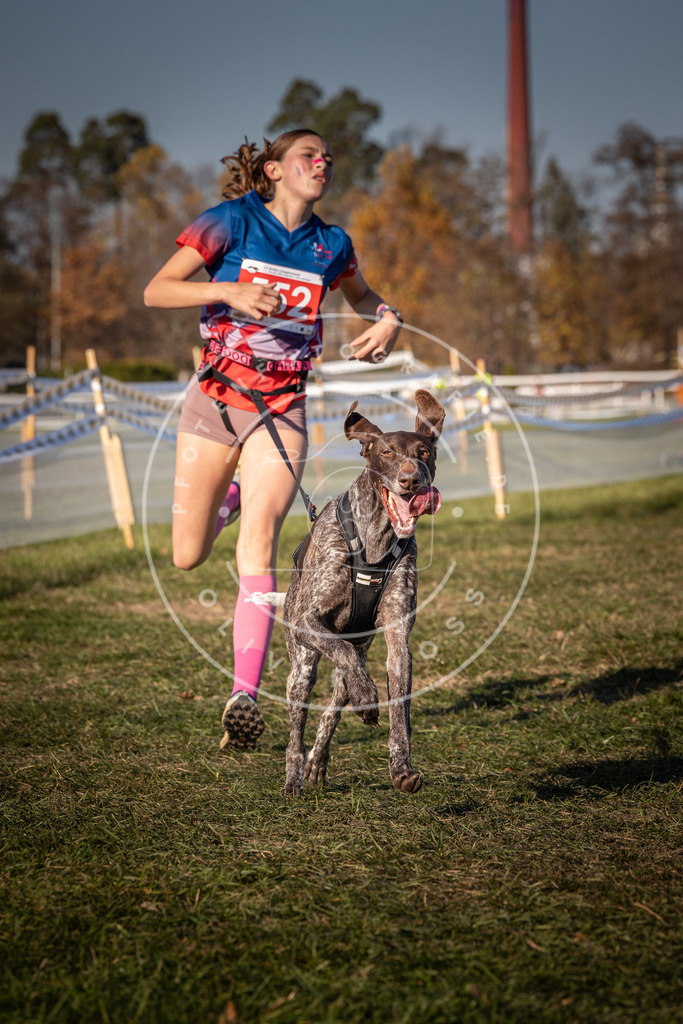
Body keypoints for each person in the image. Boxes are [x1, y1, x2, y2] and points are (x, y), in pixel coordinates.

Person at [144, 129, 403, 750]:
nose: (323, 165)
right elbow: (156, 291)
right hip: (214, 403)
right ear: (273, 169)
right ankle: (226, 502)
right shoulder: (228, 223)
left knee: (259, 545)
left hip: (282, 410)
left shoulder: (331, 244)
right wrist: (226, 289)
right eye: (309, 157)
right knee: (187, 555)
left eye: (328, 159)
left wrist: (389, 320)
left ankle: (242, 693)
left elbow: (367, 299)